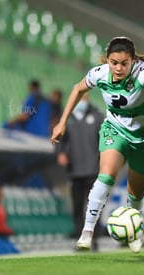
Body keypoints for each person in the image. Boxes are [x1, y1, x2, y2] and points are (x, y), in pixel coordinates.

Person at [51, 36, 144, 252]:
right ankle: (87, 233)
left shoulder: (142, 73)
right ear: (107, 60)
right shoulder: (99, 73)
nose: (118, 68)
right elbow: (78, 89)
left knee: (136, 195)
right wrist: (62, 122)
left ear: (133, 61)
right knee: (105, 176)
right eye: (114, 63)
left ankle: (133, 231)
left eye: (124, 63)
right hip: (115, 131)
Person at [55, 93, 105, 250]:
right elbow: (59, 139)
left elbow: (105, 139)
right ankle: (80, 240)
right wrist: (60, 152)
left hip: (93, 170)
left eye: (83, 99)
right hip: (75, 170)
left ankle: (94, 240)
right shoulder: (67, 117)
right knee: (77, 207)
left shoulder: (97, 116)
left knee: (94, 206)